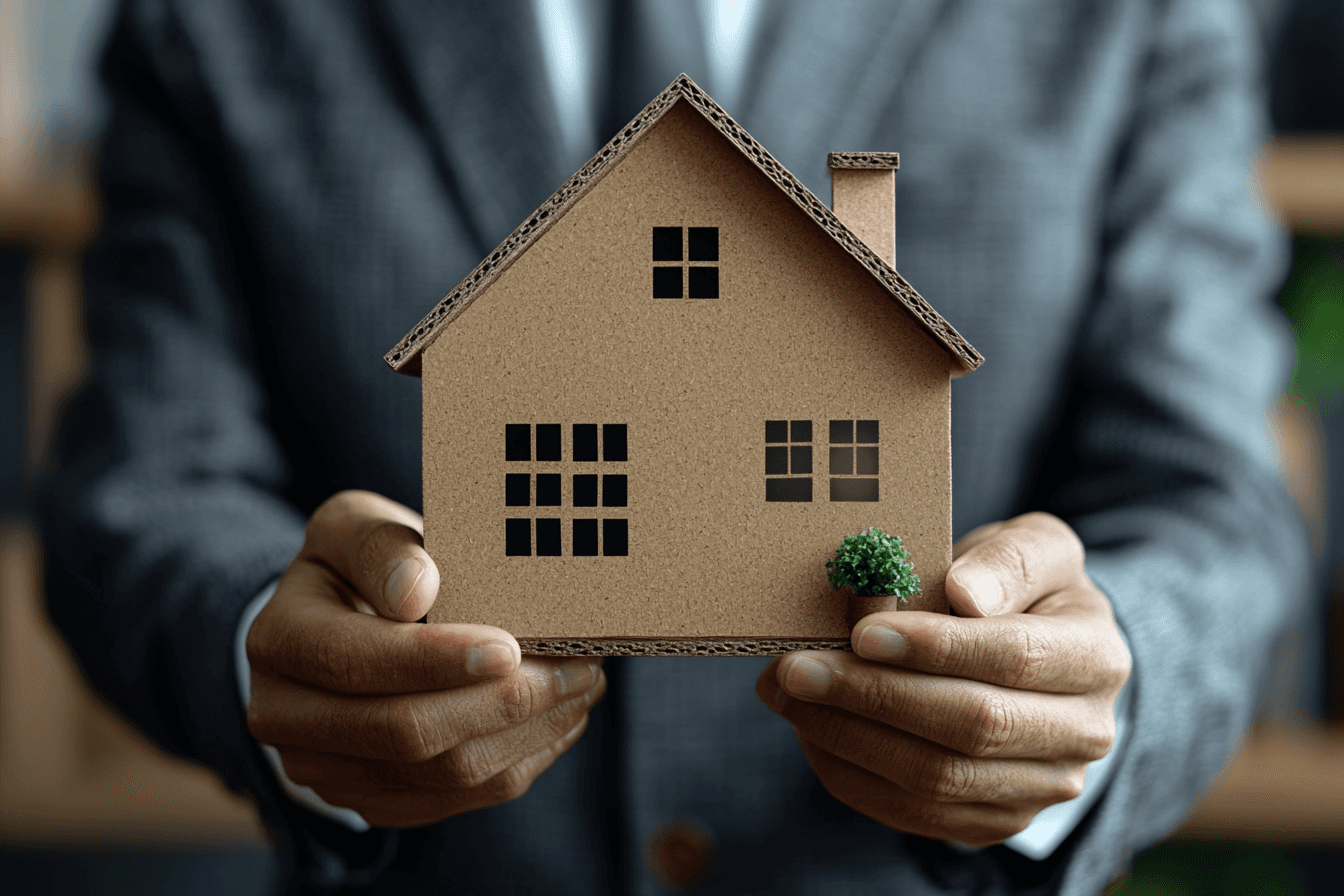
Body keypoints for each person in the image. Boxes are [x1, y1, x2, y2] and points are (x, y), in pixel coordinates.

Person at [40, 1, 1307, 893]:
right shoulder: (212, 19)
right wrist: (266, 650)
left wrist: (1103, 681)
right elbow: (145, 482)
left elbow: (1219, 504)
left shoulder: (1137, 14)